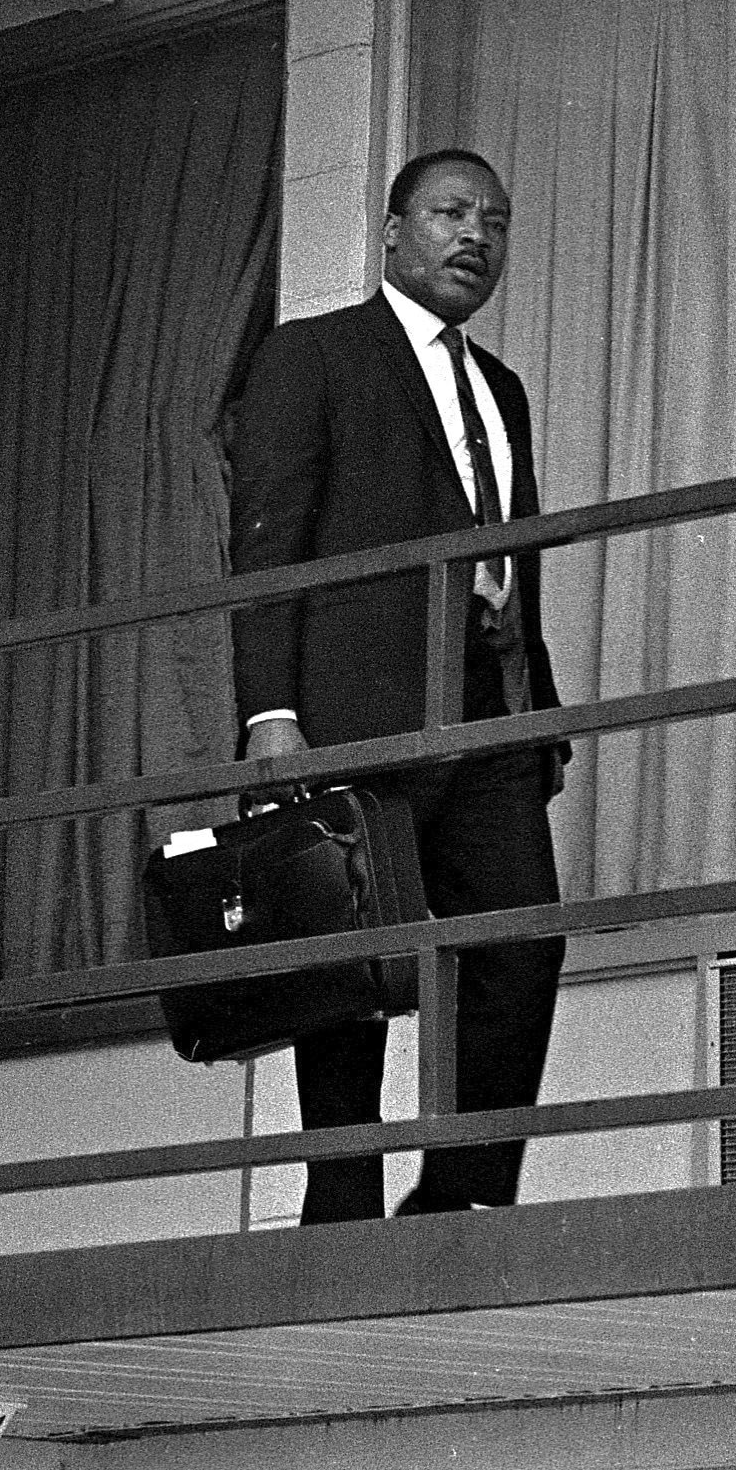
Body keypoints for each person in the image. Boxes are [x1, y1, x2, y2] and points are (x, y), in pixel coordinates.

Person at [227, 147, 569, 1222]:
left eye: (497, 222)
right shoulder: (314, 355)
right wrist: (270, 714)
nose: (476, 237)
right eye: (452, 212)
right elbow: (271, 542)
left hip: (491, 709)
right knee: (349, 961)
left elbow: (510, 551)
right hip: (356, 710)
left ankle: (464, 1197)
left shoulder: (500, 388)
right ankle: (341, 1209)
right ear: (392, 230)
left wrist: (537, 710)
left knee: (520, 942)